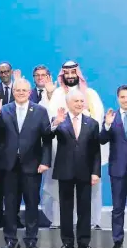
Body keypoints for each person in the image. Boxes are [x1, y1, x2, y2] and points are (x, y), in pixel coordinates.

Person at [0, 78, 53, 248]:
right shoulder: (3, 109)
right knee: (10, 204)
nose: (21, 93)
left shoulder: (40, 111)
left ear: (29, 92)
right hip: (9, 166)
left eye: (24, 90)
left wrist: (45, 161)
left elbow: (46, 139)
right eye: (17, 90)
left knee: (32, 203)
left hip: (32, 165)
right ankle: (10, 239)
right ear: (14, 91)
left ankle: (31, 239)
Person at [43, 61, 107, 229]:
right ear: (63, 75)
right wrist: (48, 96)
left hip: (86, 154)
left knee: (89, 193)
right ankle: (59, 223)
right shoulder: (56, 94)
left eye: (73, 72)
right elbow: (49, 123)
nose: (70, 76)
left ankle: (92, 222)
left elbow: (97, 121)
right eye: (67, 73)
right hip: (62, 152)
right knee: (62, 194)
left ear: (78, 74)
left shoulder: (91, 94)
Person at [50, 89, 101, 248]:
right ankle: (67, 242)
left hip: (85, 171)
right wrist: (55, 123)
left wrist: (95, 172)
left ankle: (84, 242)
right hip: (65, 170)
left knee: (84, 207)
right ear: (68, 103)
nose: (79, 104)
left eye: (81, 101)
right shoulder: (60, 121)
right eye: (76, 101)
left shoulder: (92, 123)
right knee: (65, 208)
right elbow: (46, 135)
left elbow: (95, 150)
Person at [99, 85, 127, 248]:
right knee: (117, 208)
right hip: (118, 170)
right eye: (123, 97)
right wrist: (107, 126)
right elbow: (102, 139)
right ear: (118, 98)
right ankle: (117, 242)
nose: (126, 100)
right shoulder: (112, 117)